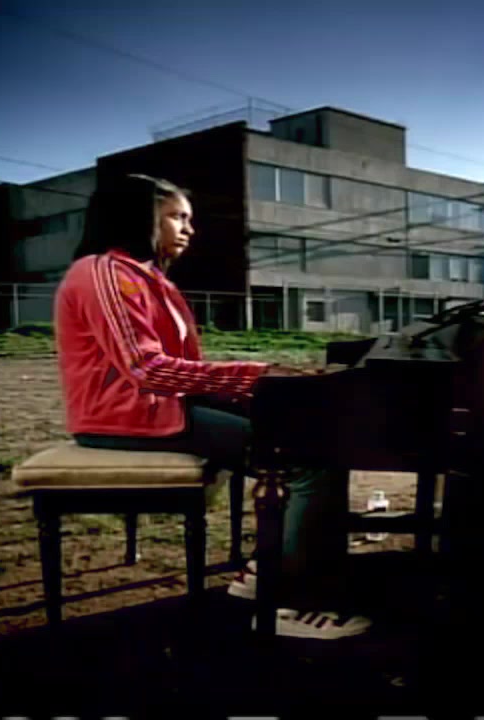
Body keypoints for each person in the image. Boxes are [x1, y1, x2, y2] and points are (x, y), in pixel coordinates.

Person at [54, 173, 370, 639]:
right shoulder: (103, 272)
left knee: (313, 432)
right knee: (305, 461)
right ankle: (288, 603)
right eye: (176, 217)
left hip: (158, 409)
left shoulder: (144, 276)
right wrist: (256, 375)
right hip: (124, 420)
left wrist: (271, 385)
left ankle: (270, 570)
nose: (189, 229)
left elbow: (178, 370)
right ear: (138, 218)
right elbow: (147, 369)